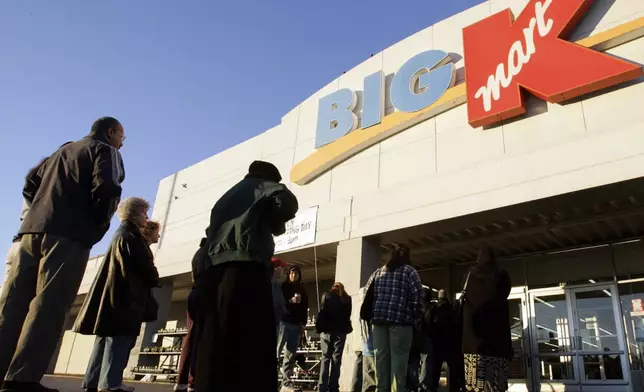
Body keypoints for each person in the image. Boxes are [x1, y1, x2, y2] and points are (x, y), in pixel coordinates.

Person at [0, 117, 125, 392]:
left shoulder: (62, 150)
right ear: (111, 132)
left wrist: (39, 212)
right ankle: (22, 379)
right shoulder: (106, 151)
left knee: (13, 304)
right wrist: (96, 228)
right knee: (50, 304)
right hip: (68, 236)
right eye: (121, 137)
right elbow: (107, 189)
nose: (122, 142)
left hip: (31, 233)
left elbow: (29, 183)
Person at [195, 161, 298, 392]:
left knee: (216, 332)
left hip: (216, 269)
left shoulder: (227, 196)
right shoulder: (267, 187)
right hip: (248, 268)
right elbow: (288, 204)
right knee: (253, 335)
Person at [73, 198, 159, 392]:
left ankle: (93, 382)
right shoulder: (131, 236)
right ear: (135, 214)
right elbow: (143, 266)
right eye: (145, 213)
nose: (146, 217)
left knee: (104, 340)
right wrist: (154, 276)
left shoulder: (121, 234)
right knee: (119, 340)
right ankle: (110, 384)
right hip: (125, 298)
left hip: (114, 296)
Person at [366, 243, 422, 392]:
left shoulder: (378, 272)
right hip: (401, 323)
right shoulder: (409, 272)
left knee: (381, 361)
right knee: (399, 361)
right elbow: (417, 297)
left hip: (378, 322)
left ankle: (382, 389)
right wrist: (416, 318)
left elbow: (366, 292)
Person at [462, 248, 512, 392]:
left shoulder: (471, 275)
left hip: (474, 346)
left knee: (475, 386)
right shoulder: (502, 276)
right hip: (498, 346)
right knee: (497, 386)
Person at [175, 237, 208, 392]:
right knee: (198, 338)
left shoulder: (198, 253)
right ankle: (191, 381)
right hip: (203, 294)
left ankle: (183, 380)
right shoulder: (208, 253)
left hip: (195, 293)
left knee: (191, 337)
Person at [316, 282, 352, 392]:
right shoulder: (347, 299)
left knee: (325, 358)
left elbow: (323, 312)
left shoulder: (326, 296)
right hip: (340, 333)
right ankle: (334, 387)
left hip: (326, 332)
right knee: (336, 361)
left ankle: (322, 387)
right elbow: (348, 315)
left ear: (332, 288)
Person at [278, 265, 309, 392]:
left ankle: (286, 382)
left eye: (296, 273)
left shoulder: (302, 290)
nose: (294, 275)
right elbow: (279, 302)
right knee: (277, 350)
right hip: (284, 322)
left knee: (290, 355)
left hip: (296, 324)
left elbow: (305, 308)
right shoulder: (283, 286)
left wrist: (303, 324)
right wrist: (290, 301)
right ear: (288, 274)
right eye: (291, 273)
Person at [426, 290, 462, 392]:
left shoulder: (434, 308)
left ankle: (433, 388)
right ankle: (455, 388)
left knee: (435, 370)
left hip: (437, 343)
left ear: (438, 296)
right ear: (447, 297)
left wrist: (433, 336)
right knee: (454, 370)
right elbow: (458, 325)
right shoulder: (452, 308)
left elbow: (427, 323)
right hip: (451, 344)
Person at [271, 257, 288, 336]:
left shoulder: (273, 283)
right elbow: (278, 303)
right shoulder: (274, 284)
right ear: (277, 269)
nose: (283, 270)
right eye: (282, 267)